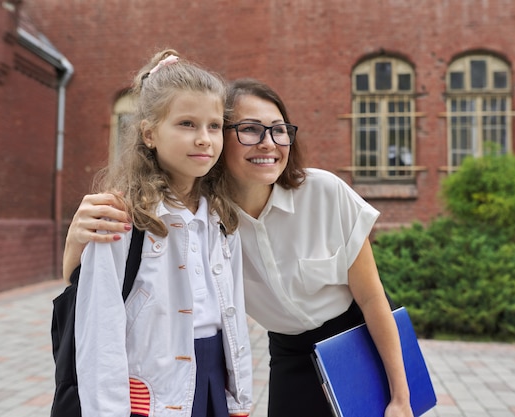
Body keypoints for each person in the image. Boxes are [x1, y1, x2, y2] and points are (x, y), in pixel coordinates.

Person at [65, 78, 413, 417]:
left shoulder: (324, 193)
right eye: (250, 129)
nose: (268, 143)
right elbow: (92, 292)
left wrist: (401, 397)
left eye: (279, 130)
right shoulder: (210, 218)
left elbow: (372, 299)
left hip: (358, 341)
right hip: (290, 355)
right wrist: (76, 237)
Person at [72, 49, 252, 417]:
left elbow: (234, 315)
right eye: (187, 124)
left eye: (214, 126)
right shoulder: (121, 217)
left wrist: (240, 398)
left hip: (214, 380)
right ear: (150, 133)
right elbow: (99, 331)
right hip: (151, 391)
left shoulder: (222, 217)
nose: (204, 139)